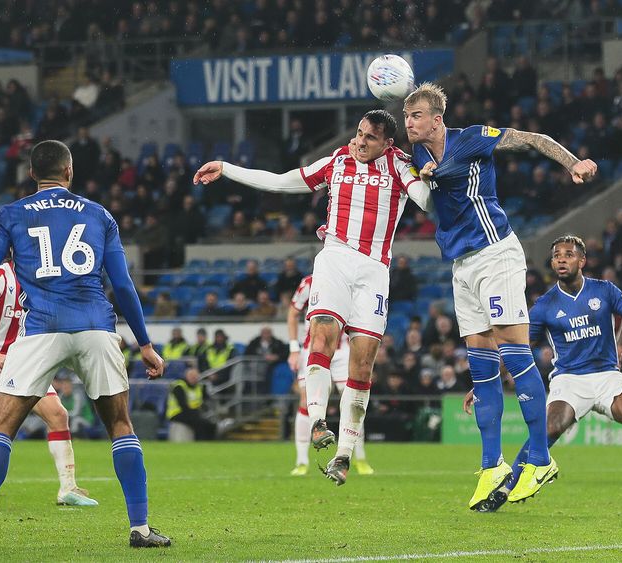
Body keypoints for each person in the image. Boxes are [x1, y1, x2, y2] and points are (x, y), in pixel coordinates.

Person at [0, 140, 169, 550]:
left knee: (3, 427)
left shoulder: (9, 215)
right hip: (97, 326)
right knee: (120, 426)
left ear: (31, 174)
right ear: (70, 171)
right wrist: (145, 343)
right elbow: (123, 285)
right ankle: (142, 529)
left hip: (41, 328)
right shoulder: (100, 215)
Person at [194, 110, 432, 486]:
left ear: (387, 143)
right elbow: (280, 181)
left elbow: (427, 203)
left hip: (373, 272)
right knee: (321, 333)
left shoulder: (402, 166)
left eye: (369, 138)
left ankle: (344, 455)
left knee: (363, 364)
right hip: (334, 258)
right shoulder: (337, 159)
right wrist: (227, 168)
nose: (359, 141)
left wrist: (431, 175)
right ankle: (319, 420)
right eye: (358, 132)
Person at [402, 83, 597, 509]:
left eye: (415, 116)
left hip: (495, 254)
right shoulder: (417, 155)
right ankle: (493, 466)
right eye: (406, 117)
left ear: (437, 118)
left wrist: (573, 162)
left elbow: (533, 139)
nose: (409, 123)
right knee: (481, 366)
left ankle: (542, 459)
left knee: (513, 348)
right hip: (461, 266)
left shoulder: (471, 137)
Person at [475, 235, 622, 515]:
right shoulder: (545, 305)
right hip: (569, 380)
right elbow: (519, 350)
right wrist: (487, 384)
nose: (561, 259)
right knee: (549, 428)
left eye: (569, 254)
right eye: (557, 255)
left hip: (607, 374)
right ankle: (505, 489)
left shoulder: (605, 290)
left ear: (582, 261)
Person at [0, 255, 98, 504]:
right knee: (1, 424)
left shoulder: (41, 280)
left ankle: (67, 489)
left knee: (58, 415)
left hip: (23, 363)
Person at [286, 275, 372, 477]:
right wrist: (293, 348)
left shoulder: (352, 280)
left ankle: (359, 458)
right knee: (306, 399)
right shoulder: (310, 282)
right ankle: (301, 461)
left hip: (343, 350)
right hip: (313, 347)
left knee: (352, 400)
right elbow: (292, 313)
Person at [166, 367, 215, 440]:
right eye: (191, 376)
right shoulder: (179, 386)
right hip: (176, 413)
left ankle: (208, 443)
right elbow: (183, 405)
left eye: (195, 376)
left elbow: (207, 400)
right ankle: (201, 442)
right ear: (186, 376)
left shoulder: (200, 387)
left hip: (192, 414)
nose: (194, 378)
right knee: (200, 423)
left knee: (210, 425)